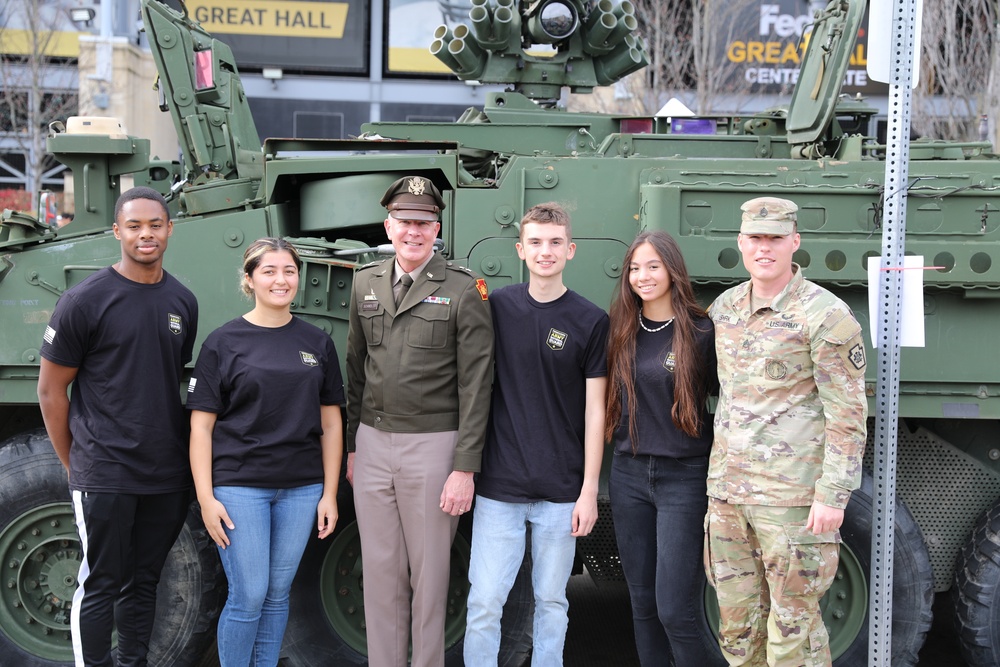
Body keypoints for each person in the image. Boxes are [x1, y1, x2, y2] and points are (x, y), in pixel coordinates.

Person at [36, 186, 198, 667]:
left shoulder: (182, 301)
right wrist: (76, 464)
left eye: (154, 225)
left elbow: (168, 380)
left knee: (145, 581)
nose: (145, 234)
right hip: (104, 470)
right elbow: (50, 392)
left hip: (164, 474)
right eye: (134, 226)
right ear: (117, 232)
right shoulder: (84, 301)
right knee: (101, 582)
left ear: (170, 229)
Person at [704, 197, 868, 666]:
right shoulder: (726, 309)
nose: (764, 248)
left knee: (792, 632)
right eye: (755, 238)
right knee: (737, 630)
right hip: (728, 499)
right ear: (741, 243)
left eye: (775, 238)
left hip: (792, 503)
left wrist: (833, 495)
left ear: (795, 242)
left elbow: (848, 414)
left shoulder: (825, 315)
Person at [345, 175, 494, 667]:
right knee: (380, 574)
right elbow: (355, 368)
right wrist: (351, 447)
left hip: (434, 447)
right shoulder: (365, 281)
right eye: (405, 222)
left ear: (437, 229)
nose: (414, 231)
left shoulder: (463, 288)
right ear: (388, 225)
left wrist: (464, 467)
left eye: (424, 223)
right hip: (371, 444)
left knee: (429, 581)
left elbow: (477, 383)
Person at [187, 238, 343, 667]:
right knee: (249, 595)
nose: (281, 279)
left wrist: (328, 494)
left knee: (277, 595)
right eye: (269, 271)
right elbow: (201, 426)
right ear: (250, 279)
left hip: (301, 488)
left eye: (289, 271)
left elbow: (331, 424)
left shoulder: (317, 342)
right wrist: (206, 498)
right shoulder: (224, 342)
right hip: (240, 487)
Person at [464, 203, 609, 667]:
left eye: (554, 243)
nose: (545, 252)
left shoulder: (590, 321)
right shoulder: (497, 307)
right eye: (535, 243)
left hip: (561, 492)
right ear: (520, 250)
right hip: (499, 488)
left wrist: (589, 492)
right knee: (485, 603)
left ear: (570, 249)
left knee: (553, 603)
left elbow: (595, 412)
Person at [604, 231, 719, 666]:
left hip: (683, 478)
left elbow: (728, 404)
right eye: (635, 268)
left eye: (653, 266)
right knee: (642, 604)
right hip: (629, 474)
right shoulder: (620, 327)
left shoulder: (701, 331)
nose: (643, 276)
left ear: (672, 269)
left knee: (675, 609)